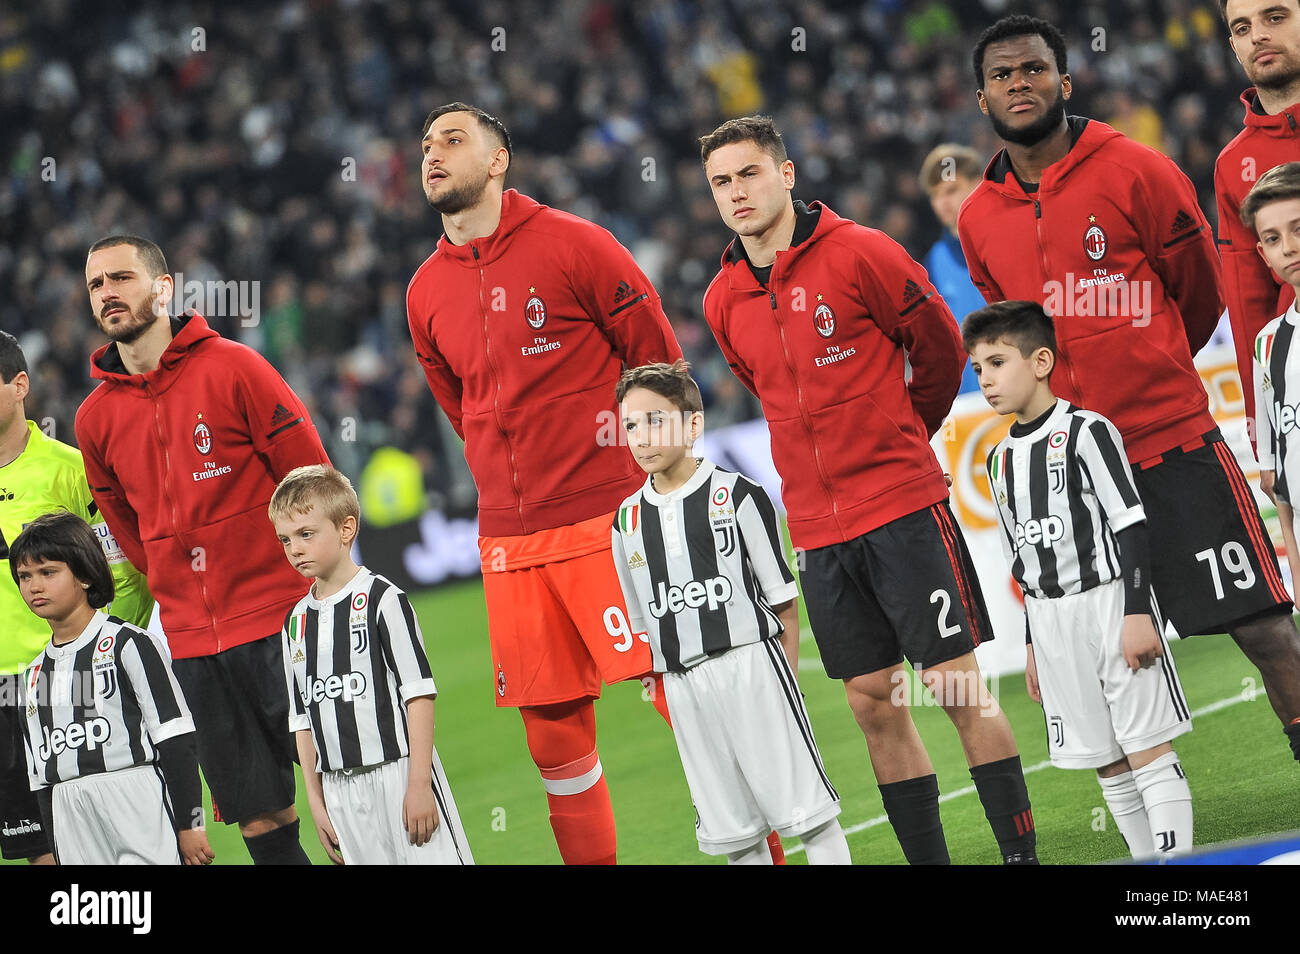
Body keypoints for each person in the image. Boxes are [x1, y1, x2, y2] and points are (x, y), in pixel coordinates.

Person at [409, 102, 795, 866]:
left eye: (453, 140)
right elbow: (465, 410)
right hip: (508, 541)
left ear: (497, 160)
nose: (433, 153)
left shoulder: (576, 245)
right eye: (425, 144)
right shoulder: (423, 291)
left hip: (610, 523)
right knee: (552, 738)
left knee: (685, 699)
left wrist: (655, 491)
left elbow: (660, 371)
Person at [959, 14, 1300, 770]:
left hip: (1169, 445)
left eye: (1035, 70)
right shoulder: (979, 216)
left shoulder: (1137, 169)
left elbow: (1200, 295)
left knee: (1265, 628)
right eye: (1002, 76)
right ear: (982, 99)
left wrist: (1147, 370)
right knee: (1097, 663)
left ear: (1066, 82)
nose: (1021, 84)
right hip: (1067, 471)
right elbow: (1006, 334)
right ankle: (1154, 825)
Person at [699, 115, 1036, 865]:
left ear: (785, 174)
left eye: (749, 173)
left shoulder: (863, 253)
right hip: (817, 529)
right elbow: (762, 386)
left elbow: (943, 352)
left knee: (954, 690)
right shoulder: (722, 298)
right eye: (721, 182)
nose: (736, 192)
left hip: (902, 508)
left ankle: (1021, 858)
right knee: (871, 704)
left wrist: (899, 435)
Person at [75, 235, 330, 864]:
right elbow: (128, 532)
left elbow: (309, 480)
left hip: (283, 624)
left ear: (163, 289)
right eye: (95, 285)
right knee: (259, 817)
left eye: (121, 278)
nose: (108, 293)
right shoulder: (93, 419)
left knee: (346, 795)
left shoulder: (235, 367)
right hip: (192, 645)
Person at [965, 301, 1194, 859]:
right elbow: (1019, 558)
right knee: (1106, 759)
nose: (986, 380)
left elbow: (1132, 523)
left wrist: (1139, 612)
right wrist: (1032, 646)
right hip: (1050, 622)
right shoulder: (997, 459)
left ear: (1041, 361)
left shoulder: (1088, 431)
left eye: (997, 362)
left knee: (1145, 747)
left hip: (1111, 604)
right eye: (977, 369)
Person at [608, 360, 850, 865]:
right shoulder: (626, 520)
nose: (641, 437)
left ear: (693, 424)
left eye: (656, 420)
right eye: (630, 425)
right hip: (686, 687)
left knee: (808, 813)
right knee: (734, 833)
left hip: (754, 669)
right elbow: (642, 625)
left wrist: (786, 682)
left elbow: (783, 599)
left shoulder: (739, 495)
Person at [0, 330, 153, 866]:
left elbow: (127, 569)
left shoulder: (71, 469)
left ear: (20, 385)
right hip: (1, 693)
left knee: (116, 841)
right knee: (40, 853)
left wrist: (99, 647)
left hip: (72, 681)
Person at [270, 465, 473, 865]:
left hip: (398, 774)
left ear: (346, 530)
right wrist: (317, 800)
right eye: (285, 539)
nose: (295, 548)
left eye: (306, 534)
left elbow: (418, 696)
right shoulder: (295, 622)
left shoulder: (383, 599)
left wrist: (418, 785)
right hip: (341, 793)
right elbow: (302, 721)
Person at [11, 512, 212, 865]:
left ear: (86, 575)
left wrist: (191, 823)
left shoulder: (130, 644)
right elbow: (40, 776)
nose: (34, 586)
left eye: (48, 572)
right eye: (24, 576)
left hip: (136, 797)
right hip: (69, 810)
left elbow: (176, 738)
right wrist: (54, 845)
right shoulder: (32, 675)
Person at [1216, 0, 1300, 437]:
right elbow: (1249, 305)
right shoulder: (1233, 165)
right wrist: (1261, 425)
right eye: (1243, 27)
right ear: (1233, 46)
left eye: (1275, 17)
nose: (1259, 35)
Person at [1246, 163, 1300, 591]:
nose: (1289, 247)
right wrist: (1295, 563)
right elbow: (1275, 478)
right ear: (1263, 254)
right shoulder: (1267, 345)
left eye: (1299, 228)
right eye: (1273, 239)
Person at [919, 144, 987, 395]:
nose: (942, 203)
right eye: (935, 195)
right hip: (967, 402)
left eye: (951, 190)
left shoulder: (1009, 239)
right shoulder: (932, 265)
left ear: (978, 183)